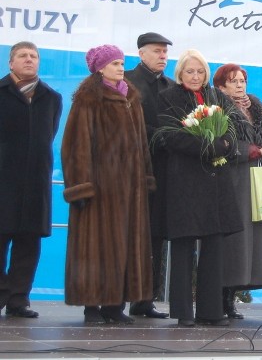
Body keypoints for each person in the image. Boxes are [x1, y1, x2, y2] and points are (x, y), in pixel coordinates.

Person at [61, 44, 155, 324]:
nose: (120, 67)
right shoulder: (89, 99)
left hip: (130, 189)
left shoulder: (132, 98)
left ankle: (115, 306)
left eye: (122, 62)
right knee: (95, 249)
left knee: (125, 246)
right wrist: (81, 185)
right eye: (114, 63)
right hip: (100, 189)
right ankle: (92, 306)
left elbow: (142, 144)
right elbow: (76, 144)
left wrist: (146, 177)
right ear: (100, 68)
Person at [157, 49, 242, 327]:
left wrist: (225, 145)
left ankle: (211, 310)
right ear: (180, 74)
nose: (196, 76)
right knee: (184, 246)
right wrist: (209, 146)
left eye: (200, 71)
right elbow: (171, 138)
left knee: (214, 245)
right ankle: (183, 311)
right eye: (190, 71)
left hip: (216, 181)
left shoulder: (217, 97)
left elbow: (231, 128)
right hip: (185, 181)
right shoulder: (168, 98)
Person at [0, 42, 62, 319]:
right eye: (23, 56)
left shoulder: (51, 97)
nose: (29, 60)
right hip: (4, 181)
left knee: (29, 243)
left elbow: (49, 134)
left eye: (33, 56)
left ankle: (18, 300)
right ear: (11, 63)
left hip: (36, 182)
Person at [214, 63, 262, 320]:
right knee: (234, 241)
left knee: (254, 241)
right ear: (221, 86)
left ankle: (233, 296)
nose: (240, 85)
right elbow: (220, 144)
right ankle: (221, 297)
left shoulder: (257, 108)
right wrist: (247, 150)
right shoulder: (217, 109)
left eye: (242, 80)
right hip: (233, 180)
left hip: (259, 180)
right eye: (234, 81)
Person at [124, 32, 173, 320]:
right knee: (131, 235)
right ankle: (118, 298)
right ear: (142, 54)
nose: (163, 56)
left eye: (165, 52)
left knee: (155, 237)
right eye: (157, 51)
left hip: (163, 171)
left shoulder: (170, 86)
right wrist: (163, 136)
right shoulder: (128, 82)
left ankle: (145, 300)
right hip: (134, 169)